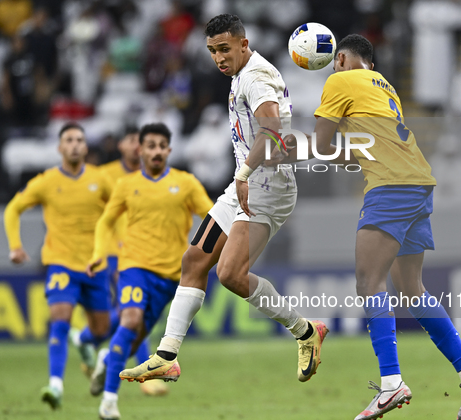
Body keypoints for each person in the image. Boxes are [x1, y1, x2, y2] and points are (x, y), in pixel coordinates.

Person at [280, 34, 461, 420]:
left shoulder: (339, 80)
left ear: (340, 58)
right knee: (412, 291)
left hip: (391, 187)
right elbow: (359, 149)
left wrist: (285, 148)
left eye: (334, 62)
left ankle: (392, 381)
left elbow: (324, 145)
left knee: (369, 282)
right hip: (417, 181)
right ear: (370, 63)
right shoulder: (384, 86)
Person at [118, 14, 328, 387]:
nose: (218, 57)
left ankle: (305, 330)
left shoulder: (256, 78)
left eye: (225, 49)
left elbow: (273, 131)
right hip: (245, 181)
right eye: (212, 50)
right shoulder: (239, 75)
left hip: (268, 187)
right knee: (194, 260)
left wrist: (244, 175)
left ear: (244, 44)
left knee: (229, 274)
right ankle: (166, 357)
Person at [85, 123, 214, 420]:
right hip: (133, 268)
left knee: (133, 340)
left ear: (169, 150)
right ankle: (109, 401)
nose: (156, 151)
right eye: (150, 146)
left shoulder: (186, 183)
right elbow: (106, 221)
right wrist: (98, 254)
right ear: (140, 150)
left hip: (169, 278)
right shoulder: (126, 185)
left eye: (161, 146)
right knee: (129, 321)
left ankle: (106, 359)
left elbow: (211, 218)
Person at [3, 122, 112, 410]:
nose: (75, 144)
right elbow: (13, 209)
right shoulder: (46, 182)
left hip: (95, 266)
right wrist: (15, 245)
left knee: (101, 330)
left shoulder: (100, 179)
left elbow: (121, 208)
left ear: (86, 147)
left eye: (79, 139)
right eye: (69, 140)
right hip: (61, 264)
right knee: (59, 319)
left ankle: (84, 340)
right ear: (60, 147)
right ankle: (55, 385)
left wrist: (121, 243)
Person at [70, 125, 165, 396]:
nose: (137, 145)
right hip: (114, 254)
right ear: (121, 145)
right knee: (133, 311)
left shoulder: (152, 176)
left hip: (144, 253)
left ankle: (84, 338)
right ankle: (145, 373)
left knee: (130, 312)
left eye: (141, 141)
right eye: (132, 140)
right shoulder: (104, 176)